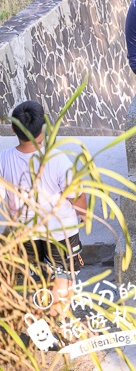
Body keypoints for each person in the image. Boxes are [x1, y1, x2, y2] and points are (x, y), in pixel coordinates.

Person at [1, 101, 86, 317]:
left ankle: (39, 320)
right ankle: (57, 322)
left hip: (25, 231)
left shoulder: (4, 158)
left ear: (13, 128)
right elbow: (76, 195)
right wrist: (83, 215)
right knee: (63, 277)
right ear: (44, 127)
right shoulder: (57, 159)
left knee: (37, 276)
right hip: (60, 232)